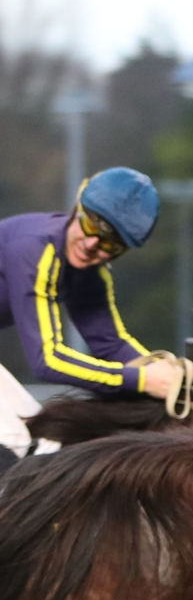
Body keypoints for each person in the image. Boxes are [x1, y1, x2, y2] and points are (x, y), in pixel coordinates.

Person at [0, 168, 177, 463]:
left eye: (111, 243)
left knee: (40, 440)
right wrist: (142, 380)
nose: (92, 243)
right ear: (77, 206)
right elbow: (48, 360)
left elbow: (112, 345)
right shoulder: (34, 250)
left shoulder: (91, 275)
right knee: (18, 443)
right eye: (90, 224)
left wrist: (165, 372)